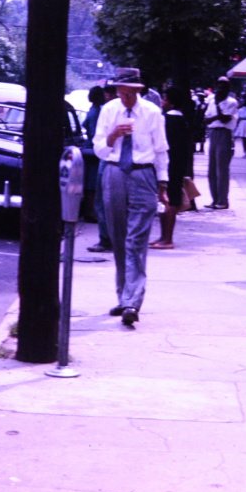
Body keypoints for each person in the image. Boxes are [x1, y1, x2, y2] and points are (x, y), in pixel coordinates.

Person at [93, 67, 169, 327]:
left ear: (139, 91)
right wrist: (114, 135)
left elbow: (161, 150)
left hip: (142, 174)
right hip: (114, 172)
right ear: (115, 91)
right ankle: (123, 295)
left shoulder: (152, 113)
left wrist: (163, 182)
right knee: (118, 236)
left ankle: (132, 302)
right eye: (121, 92)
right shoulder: (109, 111)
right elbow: (100, 149)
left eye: (131, 92)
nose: (126, 97)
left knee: (136, 240)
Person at [151, 86, 194, 250]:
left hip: (168, 165)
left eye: (164, 99)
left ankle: (167, 238)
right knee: (168, 200)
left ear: (170, 101)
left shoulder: (167, 120)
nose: (162, 102)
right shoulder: (182, 120)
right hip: (177, 165)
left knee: (168, 200)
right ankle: (164, 236)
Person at [87, 84, 119, 253]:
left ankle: (107, 238)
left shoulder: (104, 111)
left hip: (108, 159)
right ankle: (110, 237)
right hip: (109, 158)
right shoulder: (107, 110)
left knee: (103, 201)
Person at [203, 76, 238, 209]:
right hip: (213, 134)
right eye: (219, 85)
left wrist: (217, 109)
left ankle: (223, 200)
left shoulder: (231, 102)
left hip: (224, 133)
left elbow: (225, 120)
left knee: (222, 169)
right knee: (212, 169)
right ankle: (215, 199)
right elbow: (206, 119)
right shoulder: (211, 101)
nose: (220, 88)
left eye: (223, 85)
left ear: (228, 87)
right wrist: (216, 115)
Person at [80, 86, 105, 223]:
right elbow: (95, 133)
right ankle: (90, 212)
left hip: (89, 147)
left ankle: (90, 210)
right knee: (92, 184)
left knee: (91, 182)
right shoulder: (96, 113)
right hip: (93, 149)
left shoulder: (92, 111)